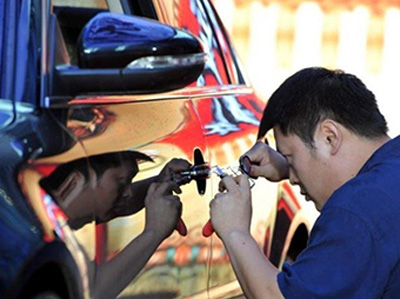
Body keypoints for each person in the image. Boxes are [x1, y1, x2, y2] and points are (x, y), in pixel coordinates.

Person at [209, 67, 400, 298]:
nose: (291, 177)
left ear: (329, 137)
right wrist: (290, 164)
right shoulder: (389, 174)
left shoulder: (357, 209)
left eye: (290, 157)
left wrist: (234, 231)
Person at [40, 151, 191, 299]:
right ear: (74, 183)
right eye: (121, 182)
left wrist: (161, 182)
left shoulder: (42, 211)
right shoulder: (39, 238)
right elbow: (94, 293)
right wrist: (154, 231)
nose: (128, 193)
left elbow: (115, 205)